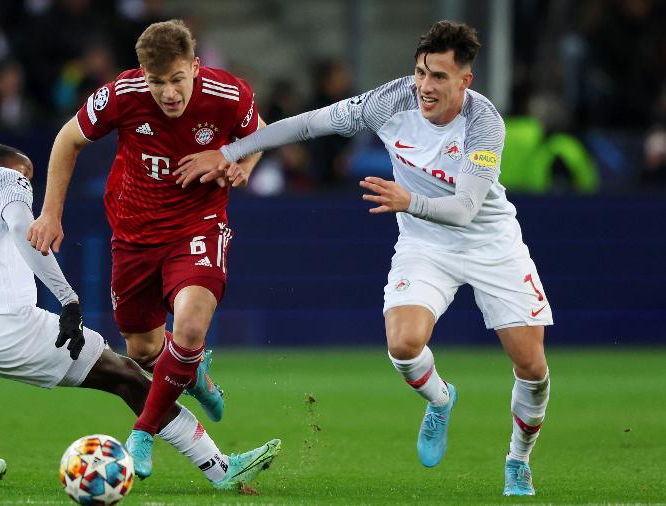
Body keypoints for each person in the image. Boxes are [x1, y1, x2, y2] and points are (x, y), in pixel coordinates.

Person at [176, 21, 552, 497]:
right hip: (424, 245)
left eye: (438, 76)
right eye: (420, 72)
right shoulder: (393, 99)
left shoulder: (484, 123)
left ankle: (517, 460)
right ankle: (440, 401)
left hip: (491, 244)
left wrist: (407, 201)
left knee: (531, 367)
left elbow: (465, 209)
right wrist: (229, 150)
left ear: (465, 81)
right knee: (403, 344)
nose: (425, 86)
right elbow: (311, 123)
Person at [0, 143, 280, 490]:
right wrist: (67, 298)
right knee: (125, 376)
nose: (29, 185)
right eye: (26, 176)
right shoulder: (1, 180)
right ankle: (220, 468)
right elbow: (24, 231)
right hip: (0, 327)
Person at [26, 20, 267, 478]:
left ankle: (142, 432)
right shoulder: (122, 94)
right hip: (134, 233)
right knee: (141, 350)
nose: (169, 93)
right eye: (158, 82)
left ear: (196, 67)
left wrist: (242, 161)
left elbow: (261, 132)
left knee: (192, 326)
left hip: (199, 224)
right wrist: (51, 214)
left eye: (177, 79)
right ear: (142, 74)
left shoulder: (227, 93)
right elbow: (67, 140)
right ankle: (193, 371)